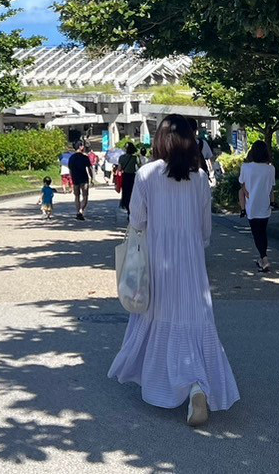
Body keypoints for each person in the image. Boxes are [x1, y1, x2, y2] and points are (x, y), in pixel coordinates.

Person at [110, 115, 237, 427]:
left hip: (157, 262)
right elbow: (205, 230)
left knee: (160, 318)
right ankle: (197, 386)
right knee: (194, 319)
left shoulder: (146, 174)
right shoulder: (198, 180)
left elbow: (137, 221)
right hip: (191, 264)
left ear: (161, 140)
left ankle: (172, 385)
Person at [238, 141, 277, 274]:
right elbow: (271, 187)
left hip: (252, 204)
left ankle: (264, 259)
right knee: (263, 232)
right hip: (264, 204)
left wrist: (246, 191)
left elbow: (242, 185)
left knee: (256, 233)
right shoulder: (270, 169)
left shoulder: (246, 167)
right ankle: (262, 257)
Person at [68, 142, 94, 220]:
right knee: (85, 196)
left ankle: (77, 212)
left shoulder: (71, 158)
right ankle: (81, 211)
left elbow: (70, 169)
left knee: (77, 196)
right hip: (84, 178)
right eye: (82, 145)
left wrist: (71, 178)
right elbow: (90, 168)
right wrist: (92, 178)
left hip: (75, 178)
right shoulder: (84, 157)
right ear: (80, 147)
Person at [119, 143, 141, 219]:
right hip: (132, 177)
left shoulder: (121, 157)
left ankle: (128, 208)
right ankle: (131, 210)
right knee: (132, 194)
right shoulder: (135, 158)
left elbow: (119, 169)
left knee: (126, 194)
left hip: (125, 176)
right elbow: (140, 166)